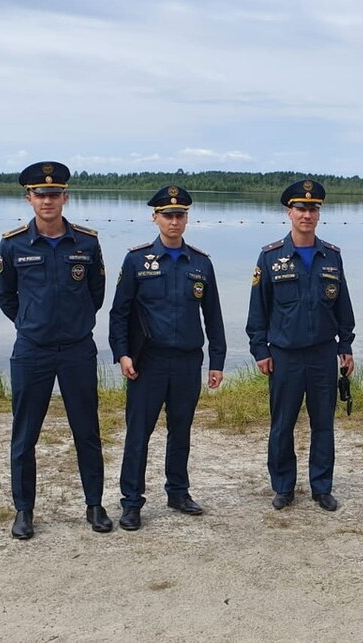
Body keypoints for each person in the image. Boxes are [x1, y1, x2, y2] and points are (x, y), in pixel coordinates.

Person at [0, 160, 110, 539]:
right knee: (25, 434)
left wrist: (75, 323)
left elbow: (95, 294)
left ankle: (94, 504)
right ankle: (23, 510)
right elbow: (5, 296)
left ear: (65, 197)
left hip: (77, 350)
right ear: (29, 198)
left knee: (86, 430)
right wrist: (31, 323)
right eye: (40, 194)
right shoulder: (13, 244)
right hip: (32, 351)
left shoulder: (86, 242)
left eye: (54, 194)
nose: (48, 200)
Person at [108, 185, 226, 531]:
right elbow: (119, 312)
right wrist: (122, 354)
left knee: (181, 431)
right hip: (148, 362)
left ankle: (178, 492)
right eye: (168, 215)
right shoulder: (136, 260)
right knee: (138, 434)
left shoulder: (201, 263)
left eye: (180, 215)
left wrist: (217, 361)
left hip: (187, 361)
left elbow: (213, 316)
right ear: (155, 217)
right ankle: (132, 502)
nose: (174, 221)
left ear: (187, 219)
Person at [246, 179, 355, 512]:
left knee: (323, 424)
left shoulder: (331, 257)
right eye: (301, 208)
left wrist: (346, 345)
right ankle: (283, 486)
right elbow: (258, 309)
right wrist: (260, 350)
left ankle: (322, 487)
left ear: (318, 214)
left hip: (323, 353)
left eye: (313, 209)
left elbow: (343, 307)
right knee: (282, 425)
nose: (307, 215)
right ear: (289, 212)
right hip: (285, 356)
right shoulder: (270, 257)